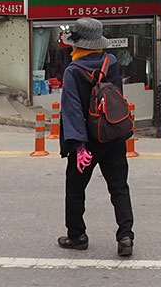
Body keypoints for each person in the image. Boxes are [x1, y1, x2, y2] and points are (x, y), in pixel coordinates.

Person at [57, 17, 134, 257]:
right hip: (112, 136)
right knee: (119, 187)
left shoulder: (72, 71)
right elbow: (116, 98)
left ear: (78, 45)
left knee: (76, 188)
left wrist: (78, 145)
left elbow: (72, 110)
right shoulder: (111, 62)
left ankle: (77, 235)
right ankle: (125, 236)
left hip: (86, 142)